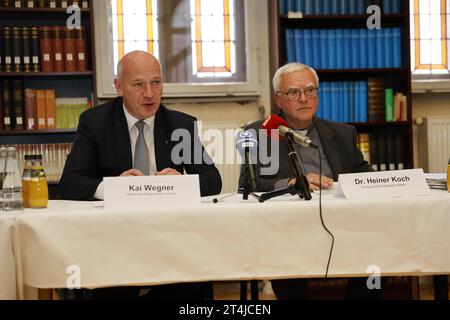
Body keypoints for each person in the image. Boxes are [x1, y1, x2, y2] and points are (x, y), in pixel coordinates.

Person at [59, 50, 222, 299]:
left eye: (156, 82)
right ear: (119, 87)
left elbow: (213, 180)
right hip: (115, 237)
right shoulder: (95, 122)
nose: (149, 93)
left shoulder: (180, 124)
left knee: (192, 282)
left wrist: (183, 182)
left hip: (171, 236)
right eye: (138, 85)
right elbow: (70, 183)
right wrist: (114, 188)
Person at [238, 62, 382, 299]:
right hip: (289, 229)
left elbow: (362, 173)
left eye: (310, 90)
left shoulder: (342, 133)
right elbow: (249, 186)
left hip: (343, 223)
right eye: (294, 92)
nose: (304, 98)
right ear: (279, 100)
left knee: (375, 252)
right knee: (288, 269)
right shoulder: (259, 134)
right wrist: (294, 183)